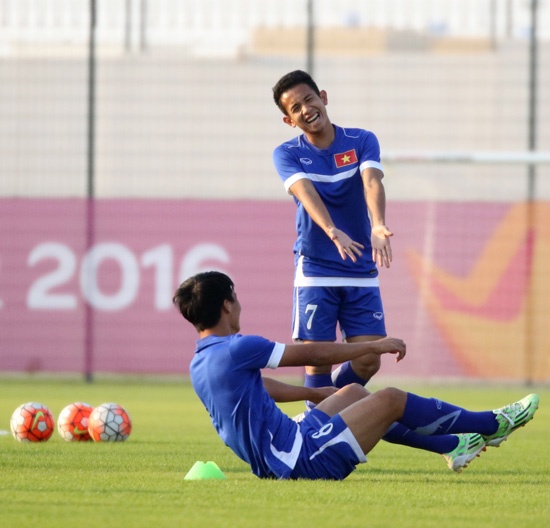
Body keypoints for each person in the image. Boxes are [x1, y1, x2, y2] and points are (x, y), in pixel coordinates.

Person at [173, 271, 539, 480]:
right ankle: (493, 424)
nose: (239, 305)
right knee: (391, 399)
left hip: (284, 450)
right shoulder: (238, 347)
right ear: (227, 304)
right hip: (299, 460)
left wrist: (313, 394)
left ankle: (452, 446)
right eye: (236, 298)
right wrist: (372, 346)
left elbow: (256, 387)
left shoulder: (200, 362)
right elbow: (313, 353)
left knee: (351, 392)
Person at [271, 70, 394, 404]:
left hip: (359, 266)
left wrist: (378, 225)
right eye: (296, 108)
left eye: (309, 99)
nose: (306, 109)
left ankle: (331, 403)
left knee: (369, 358)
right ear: (289, 120)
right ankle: (318, 423)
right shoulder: (286, 153)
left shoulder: (361, 140)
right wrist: (331, 230)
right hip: (316, 267)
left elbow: (372, 182)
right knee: (318, 359)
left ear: (323, 97)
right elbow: (306, 193)